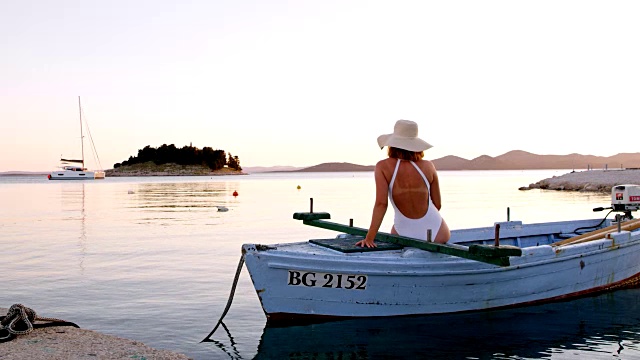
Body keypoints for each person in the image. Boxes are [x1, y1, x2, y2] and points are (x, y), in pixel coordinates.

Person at [356, 119, 451, 248]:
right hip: (436, 232)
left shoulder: (383, 167)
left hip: (403, 233)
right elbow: (437, 204)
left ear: (392, 144)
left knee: (396, 233)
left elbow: (381, 204)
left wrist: (369, 238)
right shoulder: (428, 166)